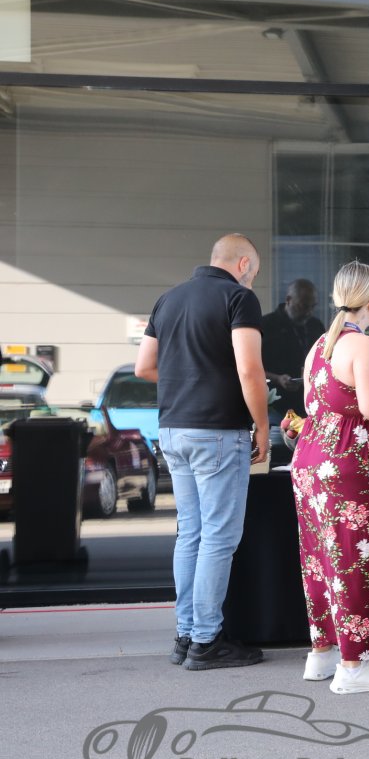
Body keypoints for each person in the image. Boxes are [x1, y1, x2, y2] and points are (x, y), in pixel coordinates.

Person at [135, 233, 270, 670]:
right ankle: (207, 641)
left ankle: (186, 635)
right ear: (244, 263)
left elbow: (144, 367)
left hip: (173, 429)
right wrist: (262, 425)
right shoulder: (239, 298)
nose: (252, 279)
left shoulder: (168, 299)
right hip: (218, 431)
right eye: (254, 271)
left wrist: (192, 378)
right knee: (217, 537)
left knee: (190, 534)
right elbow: (249, 369)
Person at [286, 261, 369, 693]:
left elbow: (314, 404)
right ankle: (352, 665)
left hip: (312, 459)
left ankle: (322, 652)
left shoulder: (320, 345)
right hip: (348, 463)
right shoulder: (364, 345)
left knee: (321, 558)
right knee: (354, 558)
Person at [261, 278, 325, 422]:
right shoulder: (266, 325)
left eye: (313, 307)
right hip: (275, 404)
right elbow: (251, 367)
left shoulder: (316, 325)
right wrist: (277, 378)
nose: (309, 312)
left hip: (310, 404)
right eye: (304, 306)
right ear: (289, 300)